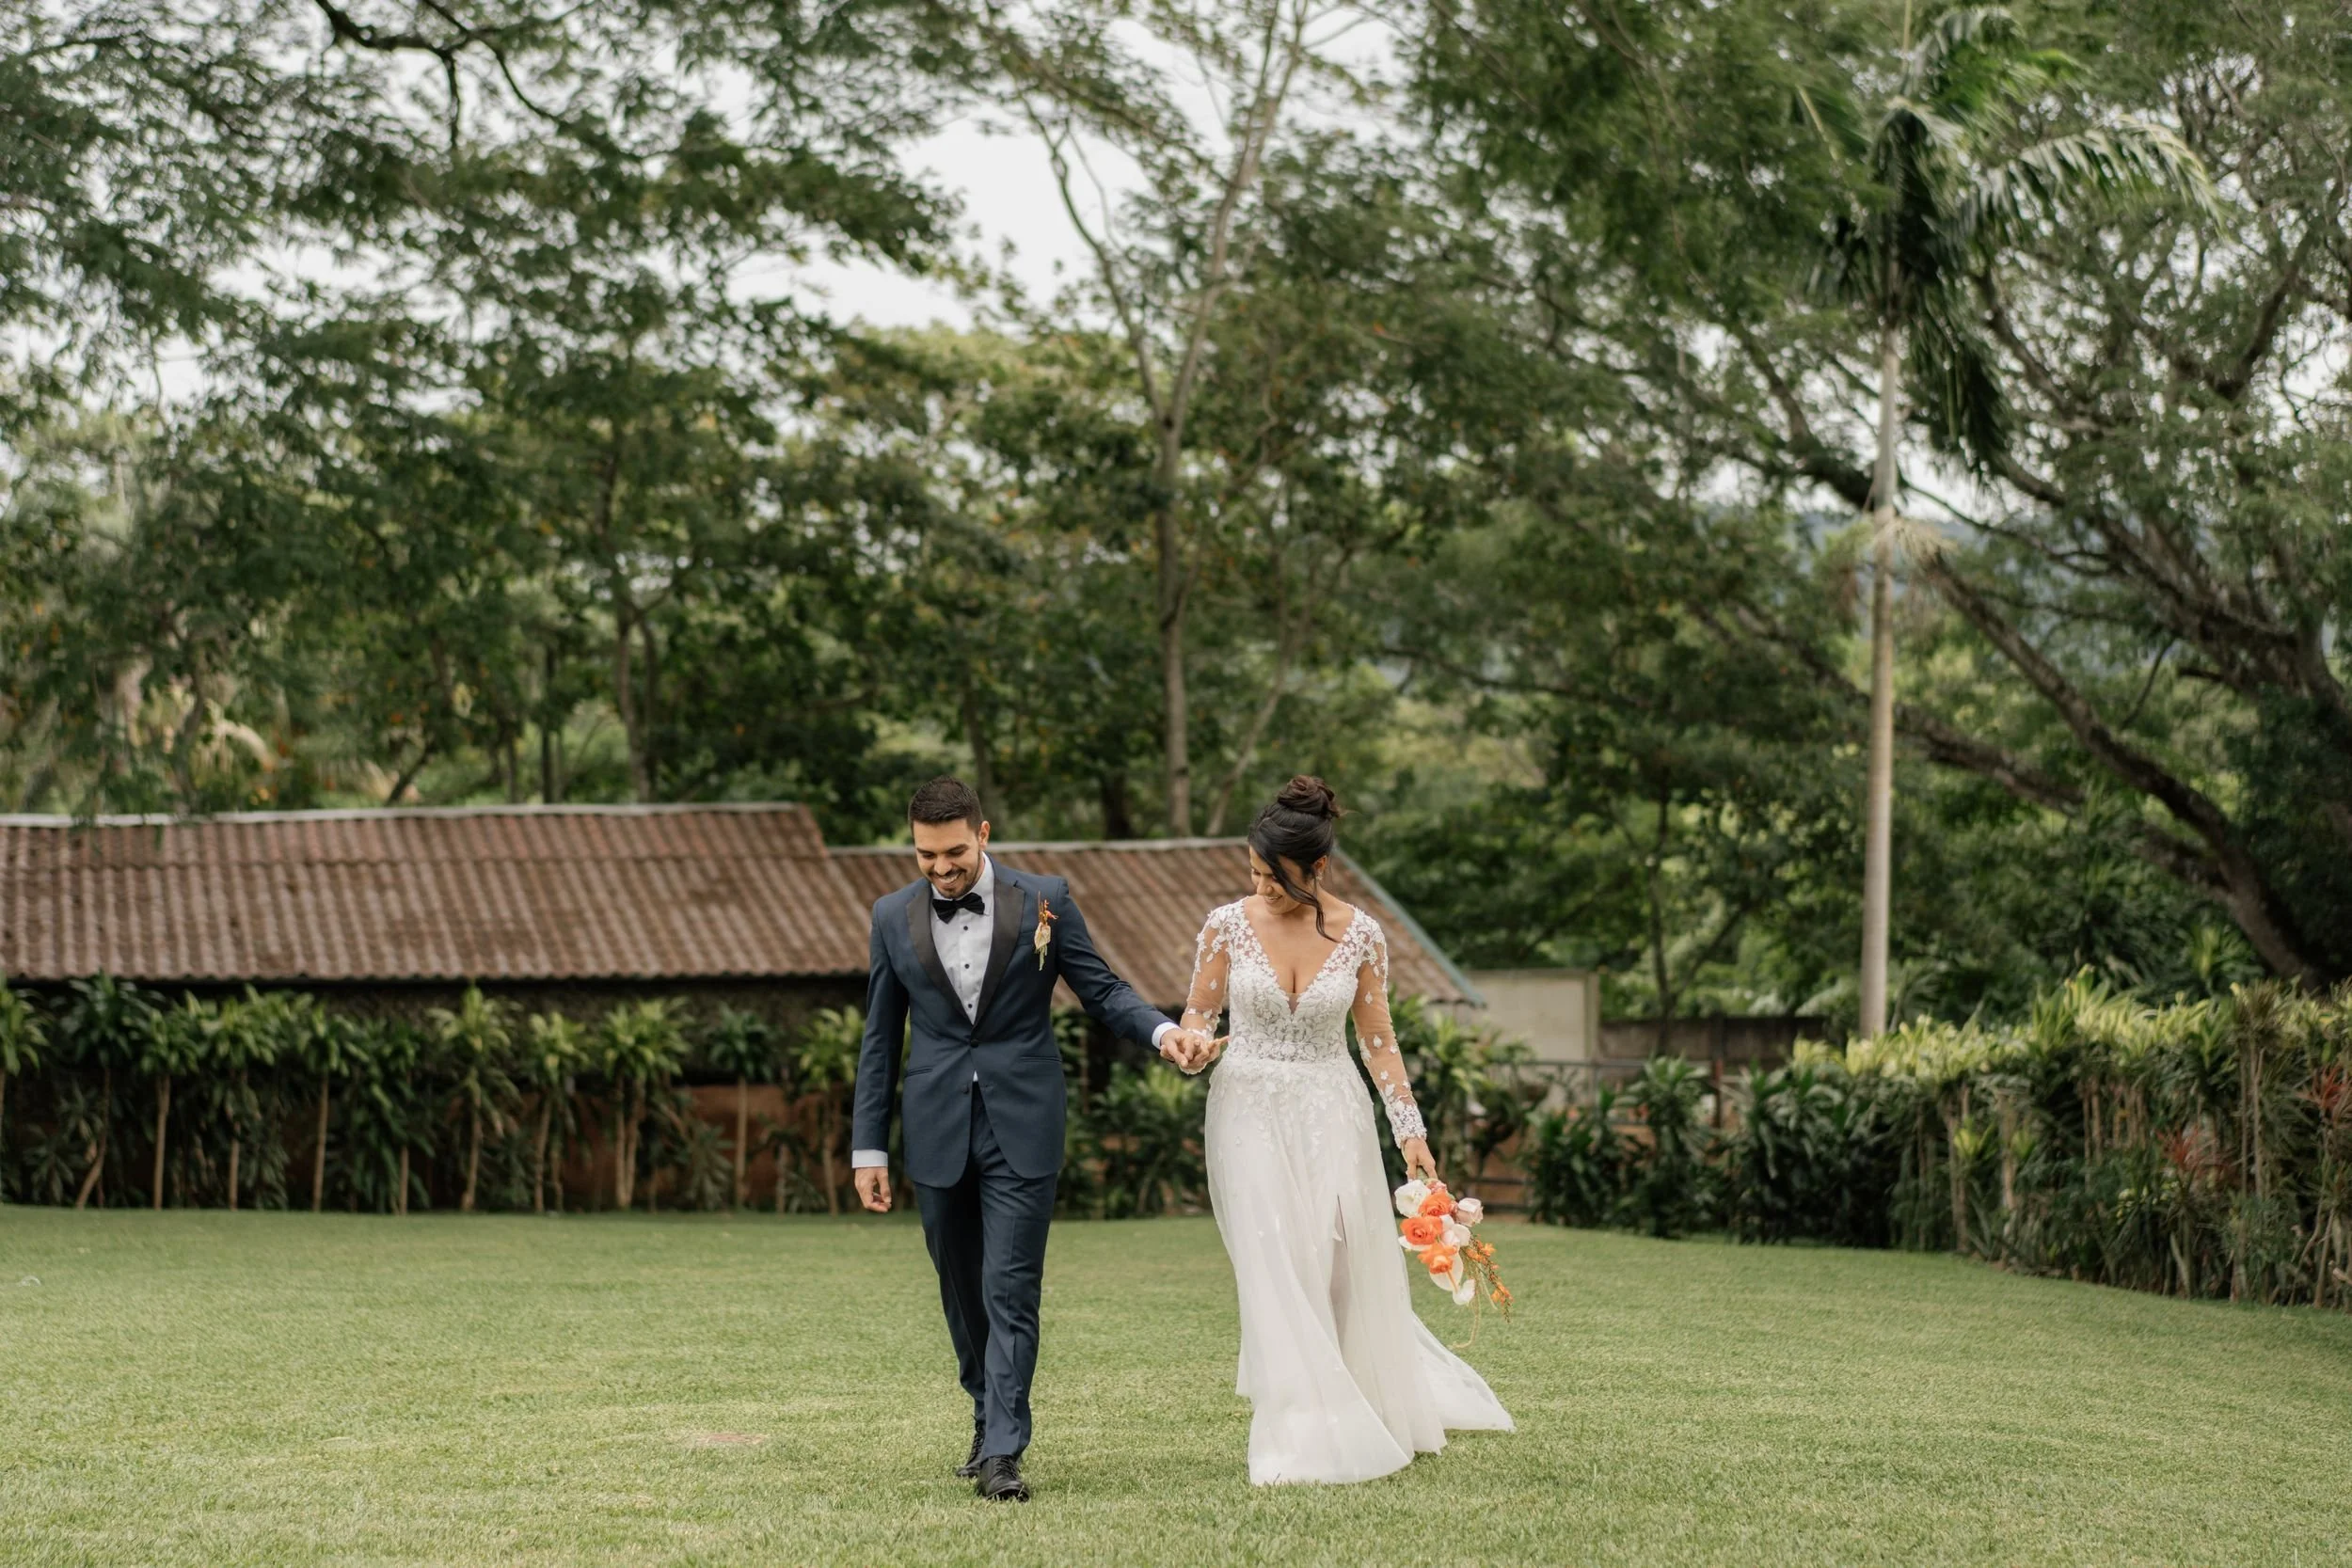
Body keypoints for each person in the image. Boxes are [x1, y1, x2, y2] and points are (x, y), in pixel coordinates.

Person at [850, 776, 1214, 1502]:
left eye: (954, 851)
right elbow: (879, 1038)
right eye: (925, 854)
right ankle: (986, 1416)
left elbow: (1102, 987)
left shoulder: (1044, 898)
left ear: (984, 834)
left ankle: (1005, 1451)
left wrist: (1166, 1030)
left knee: (1010, 1286)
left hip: (1024, 1122)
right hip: (935, 1126)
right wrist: (869, 1148)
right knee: (961, 1290)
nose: (941, 867)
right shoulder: (892, 916)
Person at [1180, 775, 1514, 1484]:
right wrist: (1195, 1046)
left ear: (1318, 869)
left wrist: (1410, 1128)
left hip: (1334, 1105)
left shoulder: (1360, 933)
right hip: (1248, 1106)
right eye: (1255, 873)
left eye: (1277, 878)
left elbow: (1379, 1041)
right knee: (1275, 1256)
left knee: (1335, 1263)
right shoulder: (1225, 924)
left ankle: (1351, 1392)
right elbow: (1198, 1019)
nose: (1263, 887)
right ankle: (1297, 1418)